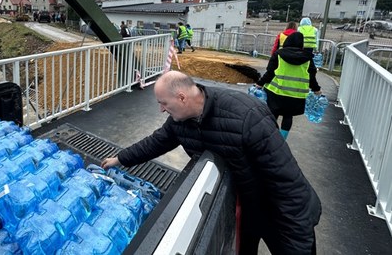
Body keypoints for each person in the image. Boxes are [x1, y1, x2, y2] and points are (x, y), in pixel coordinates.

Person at [102, 70, 321, 254]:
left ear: (181, 97)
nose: (161, 109)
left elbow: (287, 181)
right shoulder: (179, 120)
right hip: (243, 204)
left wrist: (298, 241)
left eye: (163, 103)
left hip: (277, 209)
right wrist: (120, 159)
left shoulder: (247, 115)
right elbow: (156, 142)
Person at [256, 32, 321, 139]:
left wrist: (259, 83)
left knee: (273, 115)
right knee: (288, 116)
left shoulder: (278, 54)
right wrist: (316, 89)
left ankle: (270, 137)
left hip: (276, 92)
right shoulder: (307, 58)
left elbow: (270, 73)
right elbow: (311, 77)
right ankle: (282, 140)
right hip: (296, 95)